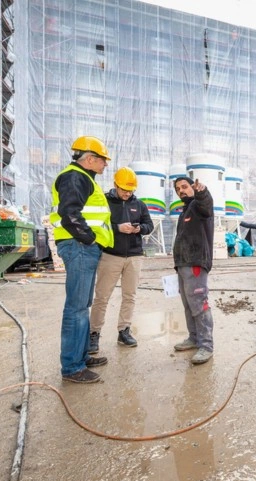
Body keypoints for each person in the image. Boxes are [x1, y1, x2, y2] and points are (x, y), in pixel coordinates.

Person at [49, 136, 114, 384]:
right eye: (102, 161)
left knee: (81, 305)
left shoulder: (83, 178)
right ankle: (73, 367)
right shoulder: (75, 177)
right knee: (76, 308)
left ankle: (81, 356)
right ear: (89, 159)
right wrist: (88, 239)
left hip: (82, 247)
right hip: (79, 247)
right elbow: (69, 213)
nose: (105, 165)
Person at [89, 167, 153, 353]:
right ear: (115, 184)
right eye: (124, 189)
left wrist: (139, 228)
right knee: (102, 297)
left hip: (134, 256)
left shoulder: (139, 205)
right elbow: (97, 224)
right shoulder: (104, 202)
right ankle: (94, 334)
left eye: (130, 190)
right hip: (110, 255)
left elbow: (148, 225)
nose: (127, 193)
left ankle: (124, 330)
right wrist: (117, 228)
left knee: (129, 296)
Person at [172, 176, 215, 365]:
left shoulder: (198, 206)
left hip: (196, 262)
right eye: (177, 189)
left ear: (193, 187)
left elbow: (206, 204)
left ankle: (206, 345)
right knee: (189, 305)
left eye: (184, 187)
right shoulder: (185, 210)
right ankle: (194, 338)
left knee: (199, 304)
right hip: (183, 264)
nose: (181, 190)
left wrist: (202, 192)